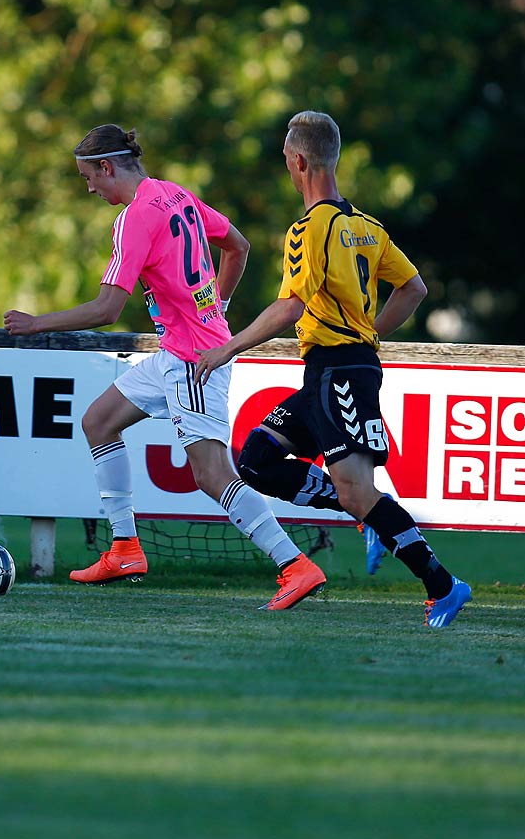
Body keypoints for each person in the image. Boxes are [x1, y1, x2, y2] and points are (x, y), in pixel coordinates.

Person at [3, 125, 327, 611]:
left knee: (212, 475)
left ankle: (295, 565)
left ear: (107, 167)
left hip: (195, 360)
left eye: (89, 177)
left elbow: (108, 308)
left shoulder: (134, 219)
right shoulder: (174, 193)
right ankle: (124, 549)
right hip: (178, 352)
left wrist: (38, 324)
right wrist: (218, 305)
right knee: (98, 421)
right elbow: (238, 245)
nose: (89, 188)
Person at [193, 111, 474, 629]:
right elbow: (413, 288)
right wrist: (371, 333)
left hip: (336, 370)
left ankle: (443, 584)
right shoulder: (367, 227)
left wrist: (226, 347)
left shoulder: (308, 228)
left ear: (298, 161)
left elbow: (289, 307)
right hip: (336, 368)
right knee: (256, 457)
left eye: (284, 159)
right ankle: (369, 516)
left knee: (356, 491)